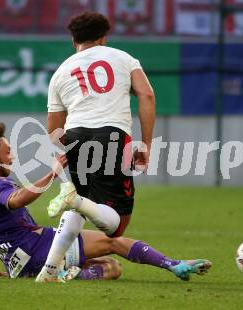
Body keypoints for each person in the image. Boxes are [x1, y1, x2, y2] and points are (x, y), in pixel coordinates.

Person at [0, 123, 212, 282]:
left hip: (20, 266)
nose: (12, 155)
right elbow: (16, 200)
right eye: (7, 151)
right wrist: (52, 172)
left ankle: (66, 274)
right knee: (112, 241)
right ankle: (174, 265)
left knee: (111, 268)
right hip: (37, 247)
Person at [47, 11, 156, 237]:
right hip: (113, 136)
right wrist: (145, 144)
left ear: (73, 40)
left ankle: (52, 266)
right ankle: (73, 198)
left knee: (86, 208)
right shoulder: (124, 58)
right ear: (103, 38)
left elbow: (54, 132)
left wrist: (73, 149)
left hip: (75, 136)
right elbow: (146, 96)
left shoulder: (60, 72)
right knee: (118, 226)